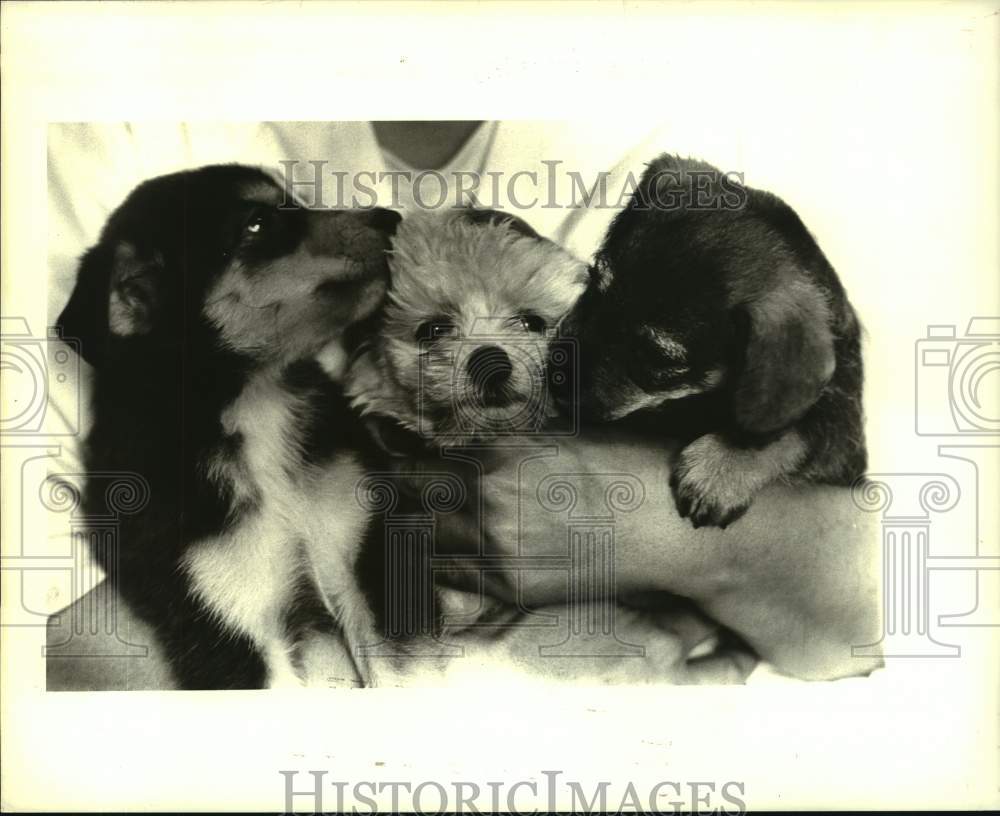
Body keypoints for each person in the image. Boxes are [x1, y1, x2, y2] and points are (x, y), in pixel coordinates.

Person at [44, 121, 882, 689]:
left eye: (533, 323)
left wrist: (648, 534)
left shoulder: (721, 181)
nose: (485, 354)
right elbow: (53, 669)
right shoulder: (123, 147)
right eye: (435, 329)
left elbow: (886, 609)